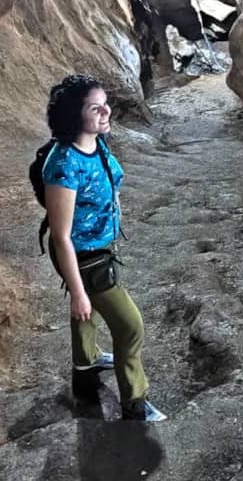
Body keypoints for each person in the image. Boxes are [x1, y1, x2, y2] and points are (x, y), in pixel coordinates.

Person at [41, 74, 167, 422]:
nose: (106, 111)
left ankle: (85, 368)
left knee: (87, 312)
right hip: (83, 255)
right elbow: (61, 235)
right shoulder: (64, 165)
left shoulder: (96, 143)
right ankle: (135, 404)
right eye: (95, 108)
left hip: (97, 247)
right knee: (130, 326)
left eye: (104, 103)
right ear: (74, 116)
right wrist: (78, 290)